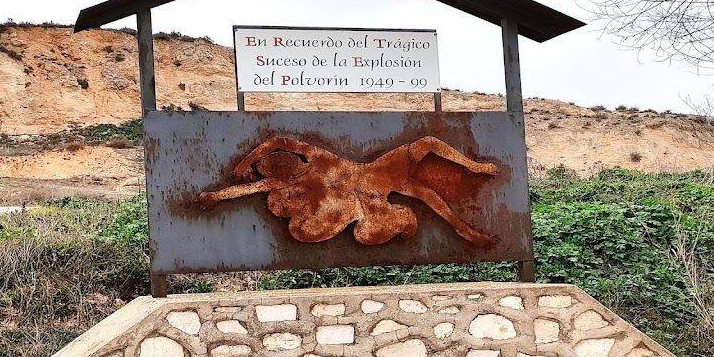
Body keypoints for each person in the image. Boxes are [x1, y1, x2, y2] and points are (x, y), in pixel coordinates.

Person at [196, 135, 499, 247]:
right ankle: (423, 223)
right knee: (379, 225)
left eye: (275, 158)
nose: (276, 161)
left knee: (427, 145)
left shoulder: (315, 156)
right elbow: (249, 190)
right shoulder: (294, 187)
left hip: (376, 173)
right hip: (367, 202)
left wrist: (247, 160)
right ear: (281, 176)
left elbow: (278, 140)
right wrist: (216, 196)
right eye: (272, 165)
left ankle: (472, 166)